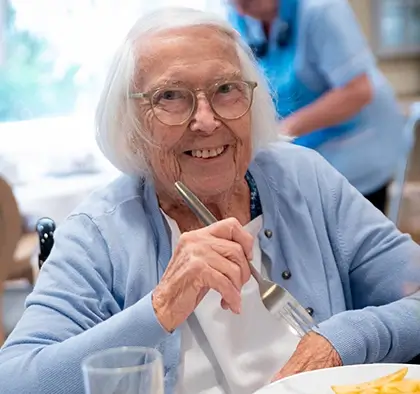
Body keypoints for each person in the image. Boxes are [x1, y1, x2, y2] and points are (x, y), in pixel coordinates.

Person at [0, 7, 420, 394]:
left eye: (225, 89)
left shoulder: (304, 179)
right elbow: (16, 378)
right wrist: (161, 306)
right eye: (170, 96)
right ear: (131, 124)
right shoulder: (100, 232)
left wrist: (341, 341)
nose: (205, 119)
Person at [226, 0, 407, 213]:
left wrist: (278, 133)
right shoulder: (238, 18)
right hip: (302, 152)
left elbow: (357, 91)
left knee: (348, 235)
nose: (240, 6)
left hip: (353, 150)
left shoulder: (322, 10)